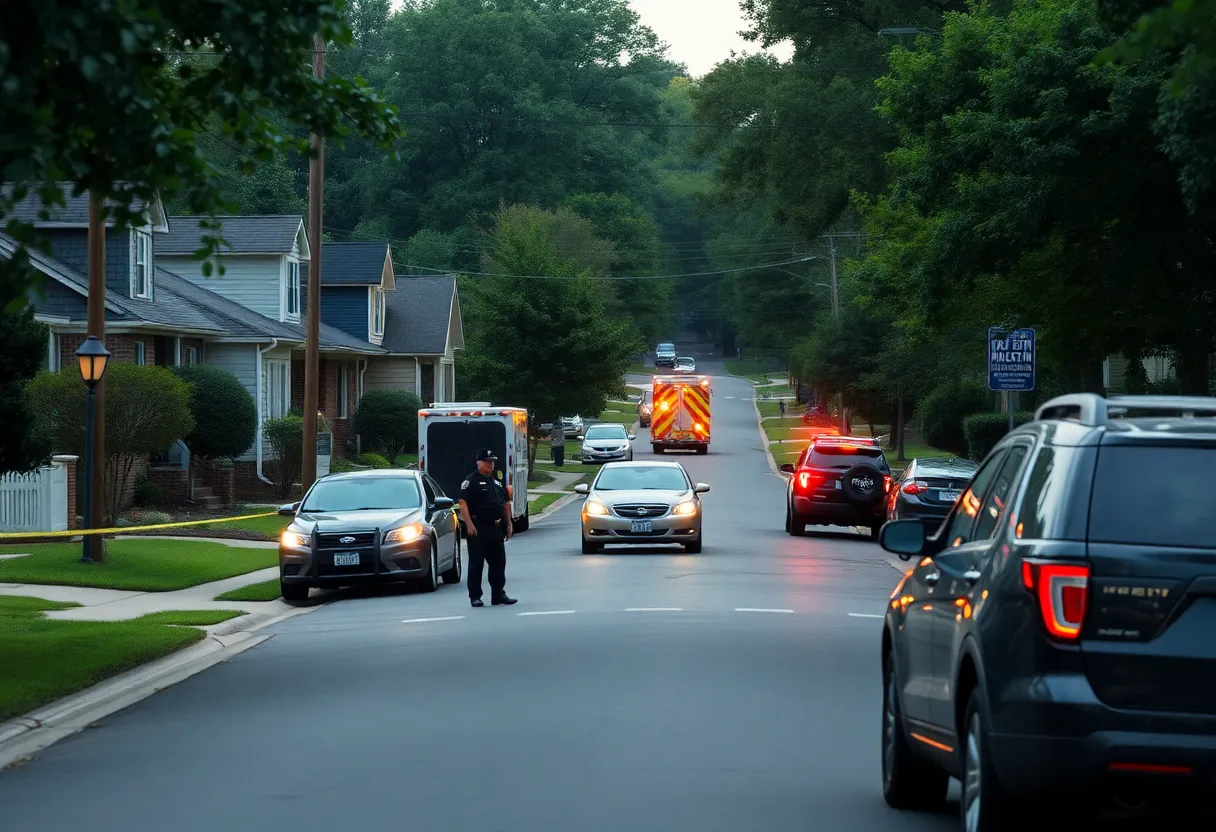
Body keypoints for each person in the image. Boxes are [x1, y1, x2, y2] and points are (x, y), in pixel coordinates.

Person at [458, 449, 517, 608]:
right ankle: (475, 596)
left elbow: (505, 503)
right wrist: (469, 524)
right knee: (476, 564)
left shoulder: (496, 482)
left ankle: (498, 594)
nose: (491, 464)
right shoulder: (471, 481)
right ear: (479, 463)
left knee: (498, 563)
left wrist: (509, 523)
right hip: (478, 529)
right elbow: (462, 503)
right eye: (487, 461)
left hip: (495, 529)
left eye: (492, 461)